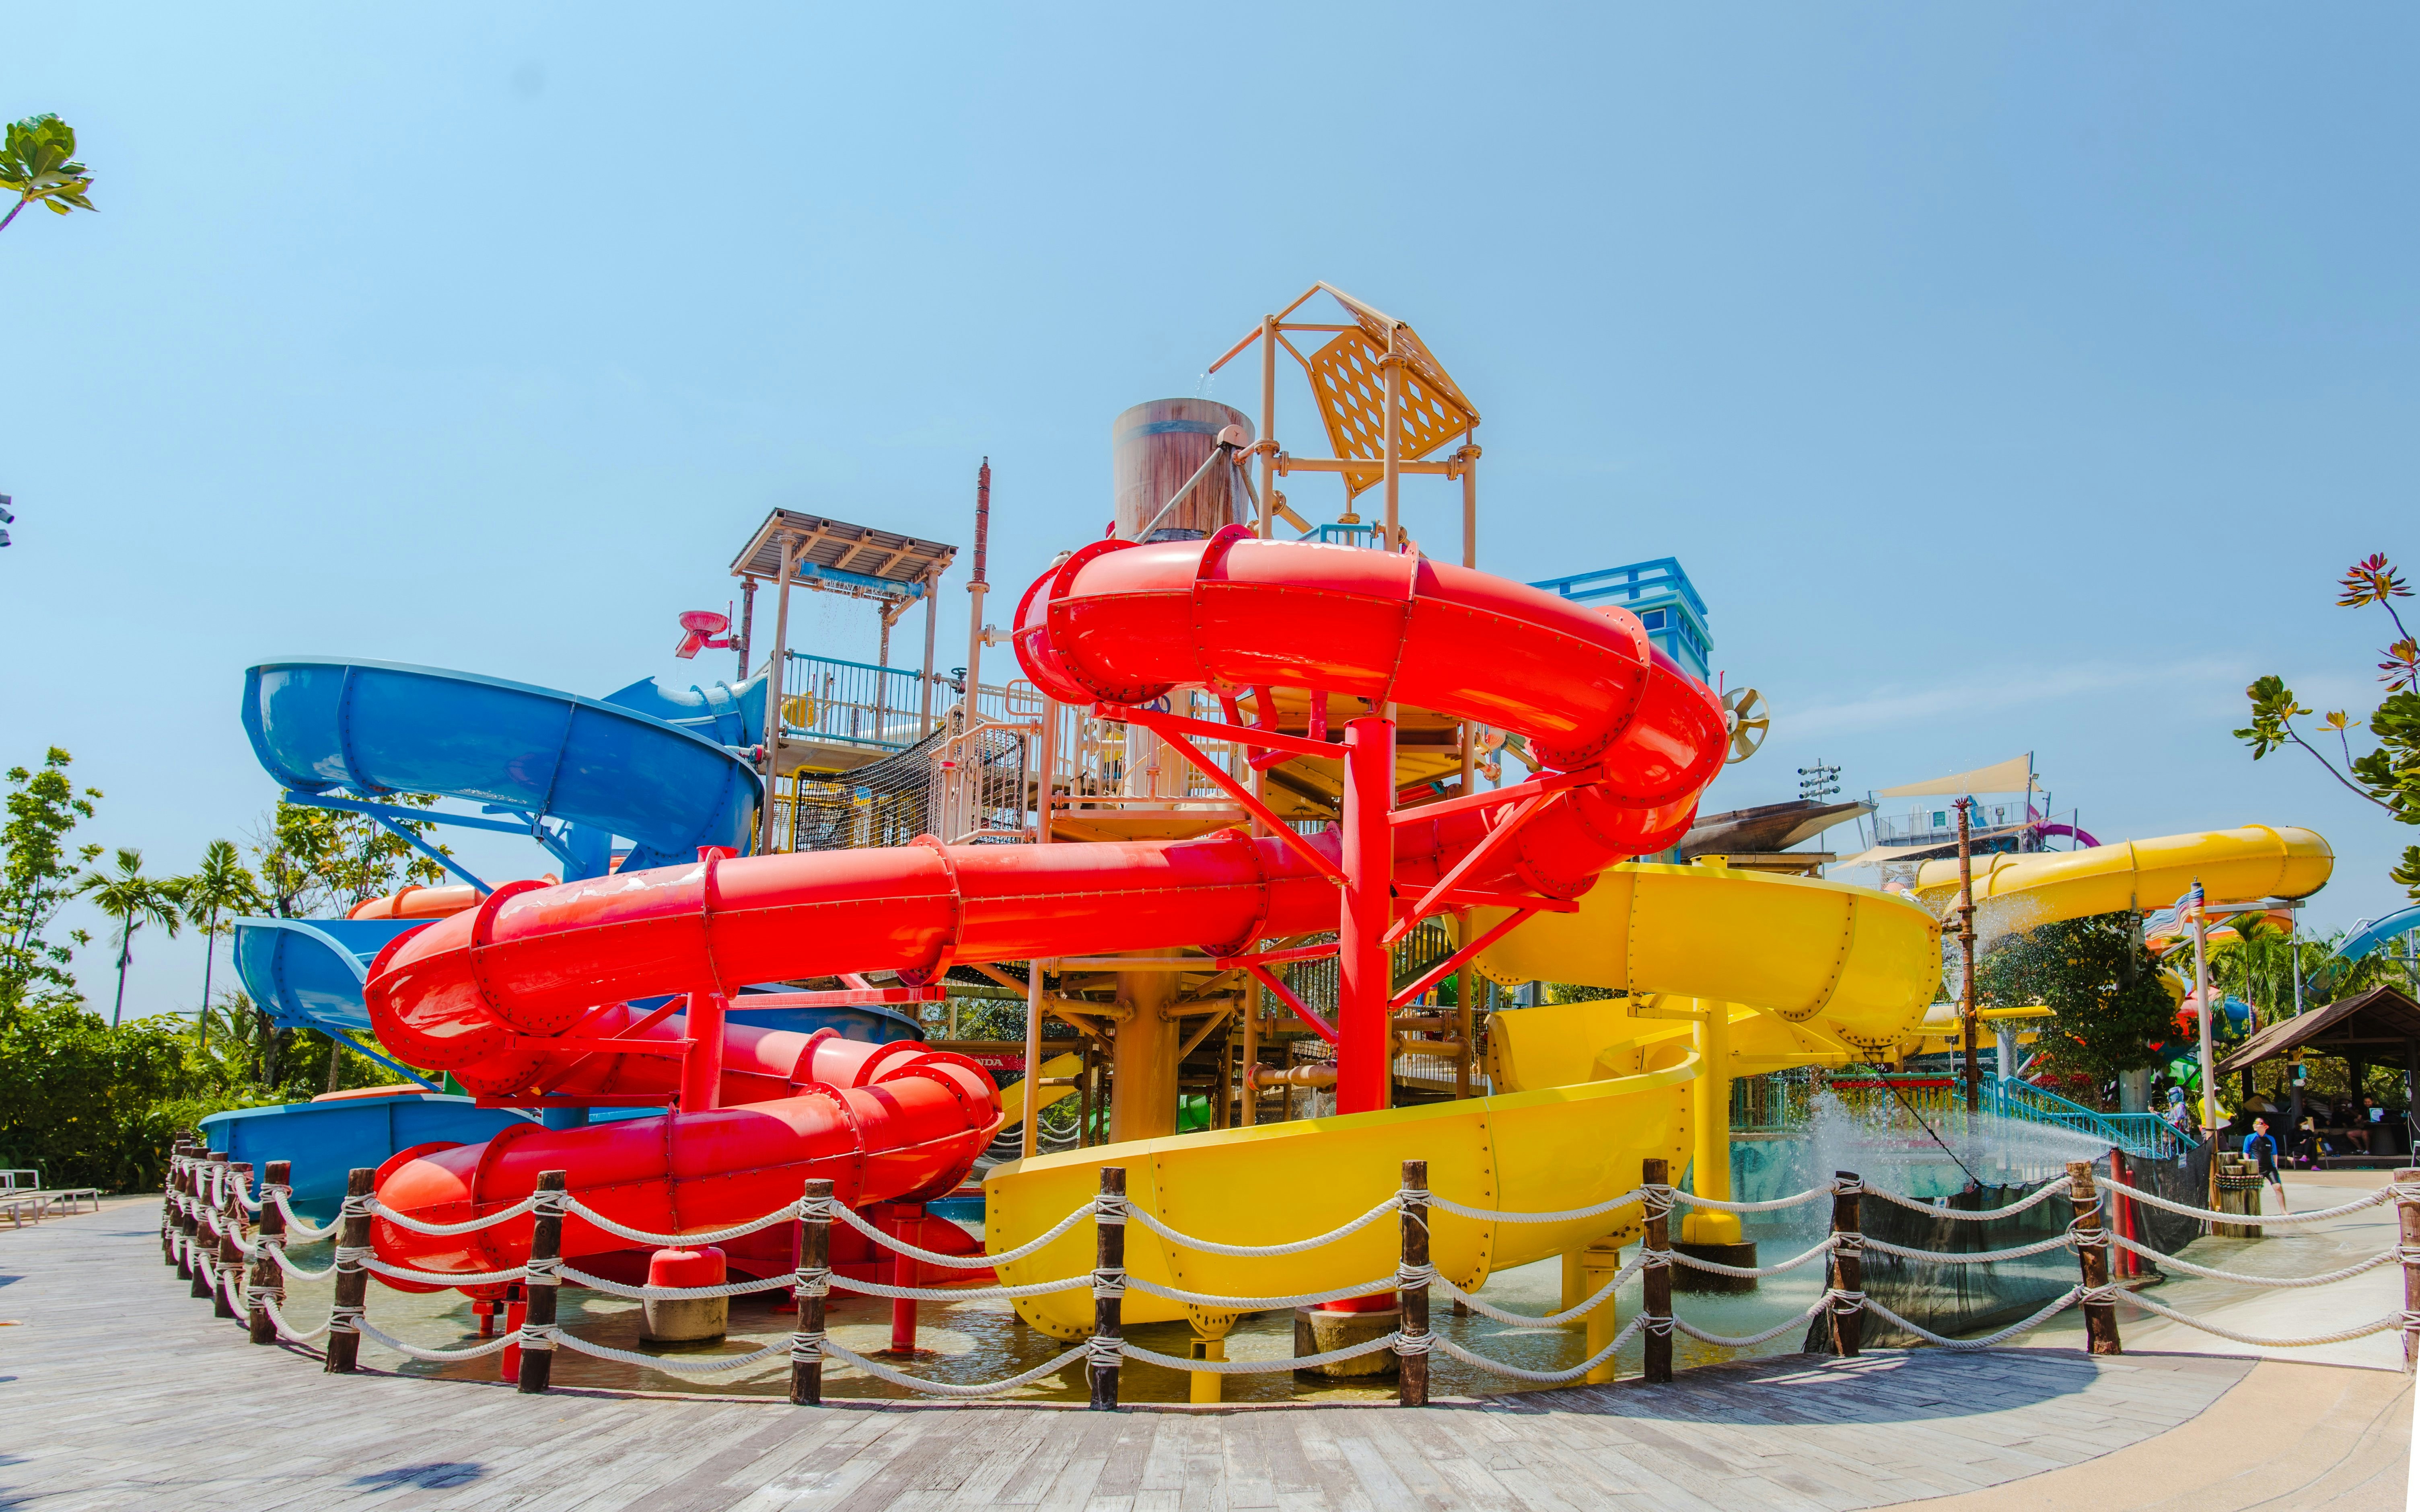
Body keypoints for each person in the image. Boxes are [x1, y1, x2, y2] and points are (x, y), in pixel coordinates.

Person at [2244, 1117, 2288, 1212]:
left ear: (2266, 1127)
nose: (2255, 1124)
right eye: (2254, 1122)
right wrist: (2249, 1164)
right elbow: (2246, 1152)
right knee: (2256, 1190)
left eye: (2258, 1123)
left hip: (2269, 1167)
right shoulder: (2250, 1138)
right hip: (2256, 1168)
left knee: (2278, 1187)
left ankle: (2284, 1211)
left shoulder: (2271, 1139)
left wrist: (2275, 1166)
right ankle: (2252, 1212)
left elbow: (2274, 1154)